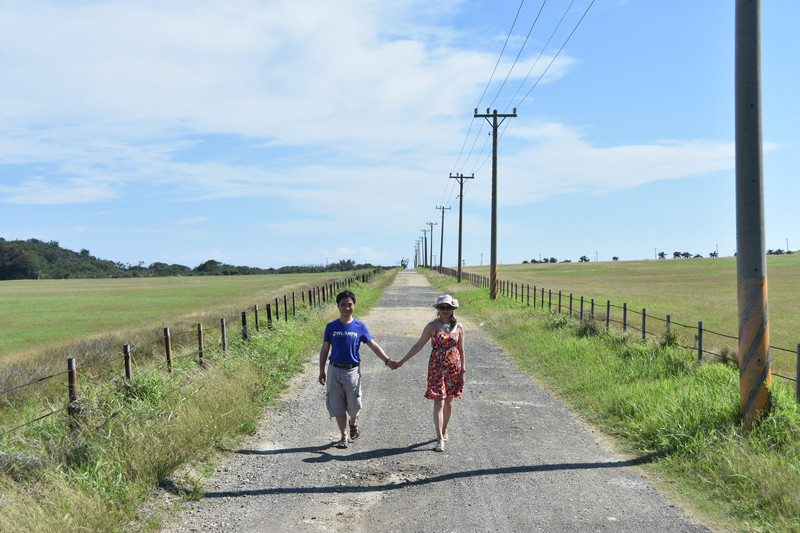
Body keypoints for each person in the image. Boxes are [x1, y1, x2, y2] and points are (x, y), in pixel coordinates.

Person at [319, 289, 394, 449]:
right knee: (337, 404)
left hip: (352, 372)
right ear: (338, 306)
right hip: (334, 370)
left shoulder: (359, 326)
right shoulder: (331, 326)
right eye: (343, 305)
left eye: (349, 304)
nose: (346, 308)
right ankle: (344, 435)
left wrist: (387, 360)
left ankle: (353, 422)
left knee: (355, 405)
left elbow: (373, 345)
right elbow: (325, 349)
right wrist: (321, 371)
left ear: (354, 305)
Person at [392, 294, 465, 452]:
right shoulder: (431, 327)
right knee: (439, 400)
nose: (445, 310)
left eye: (448, 307)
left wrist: (463, 371)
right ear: (438, 310)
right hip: (436, 368)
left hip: (454, 368)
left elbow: (461, 351)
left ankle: (444, 429)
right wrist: (402, 361)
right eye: (442, 307)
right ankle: (439, 439)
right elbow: (418, 346)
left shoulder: (459, 327)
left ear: (452, 309)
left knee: (450, 400)